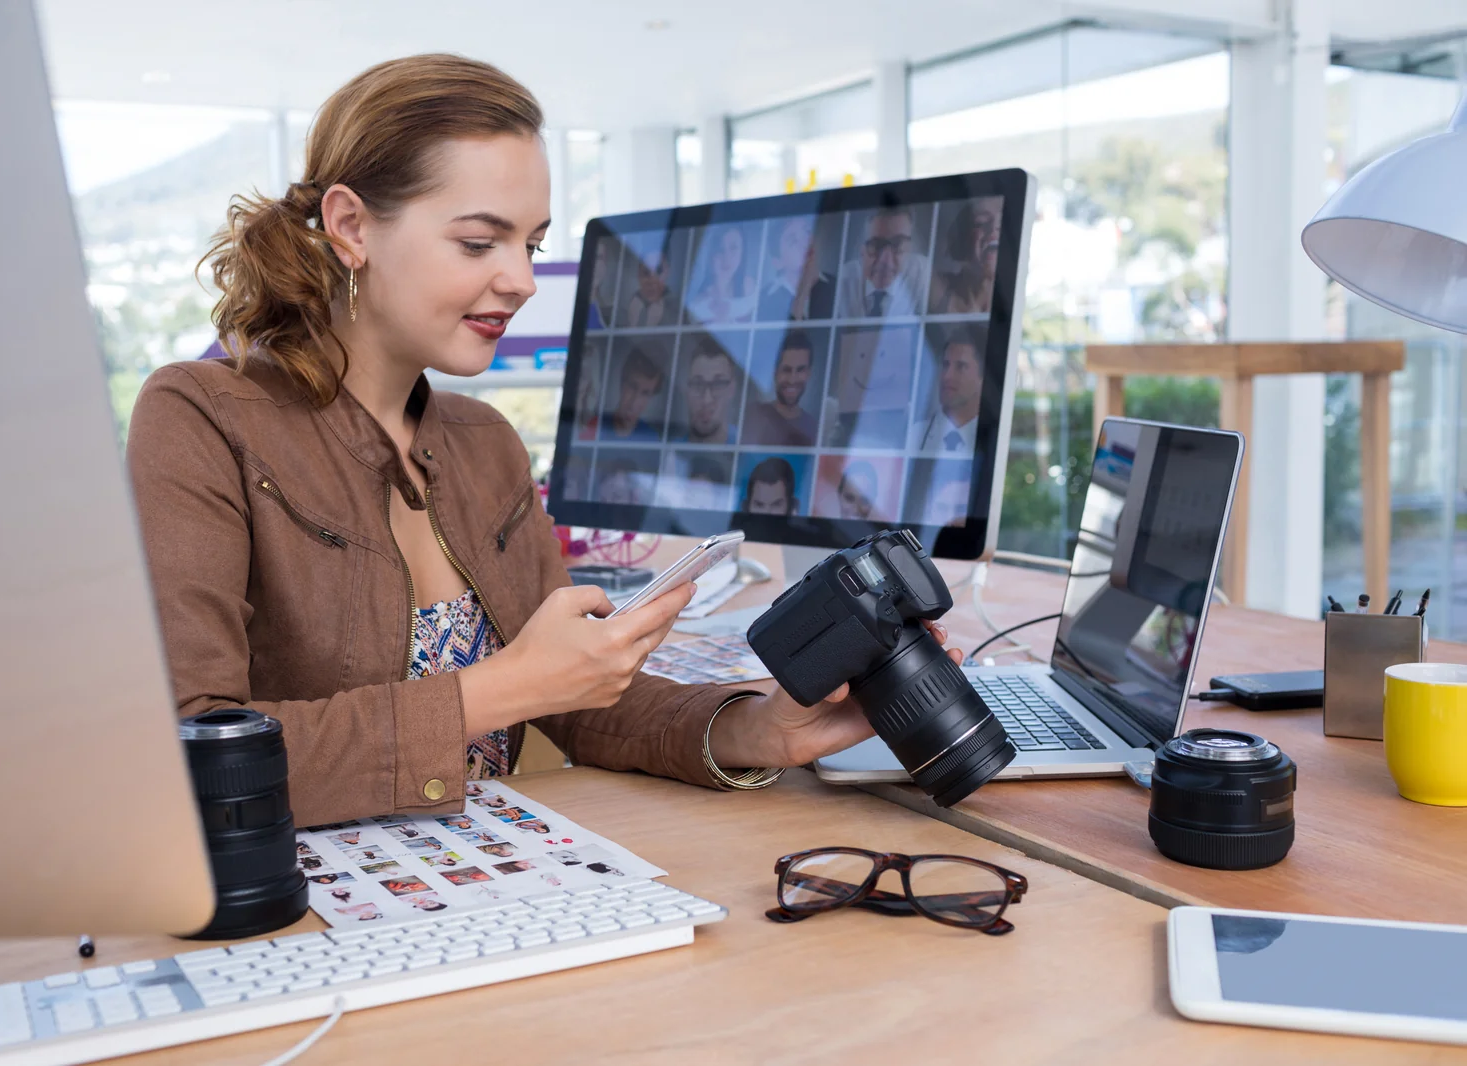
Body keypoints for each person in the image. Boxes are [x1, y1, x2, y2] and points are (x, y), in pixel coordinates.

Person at [127, 54, 963, 826]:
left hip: (496, 889)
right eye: (479, 241)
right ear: (350, 225)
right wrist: (499, 689)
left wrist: (762, 732)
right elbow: (189, 756)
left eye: (530, 244)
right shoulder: (200, 419)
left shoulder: (482, 442)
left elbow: (577, 702)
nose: (523, 279)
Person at [836, 206, 931, 319]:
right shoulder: (844, 281)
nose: (885, 261)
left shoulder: (923, 275)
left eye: (897, 244)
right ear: (862, 250)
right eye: (876, 245)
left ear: (909, 250)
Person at [909, 327, 982, 455]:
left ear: (982, 377)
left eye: (961, 367)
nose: (947, 375)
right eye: (945, 365)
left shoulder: (990, 441)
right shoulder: (914, 435)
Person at [741, 331, 819, 447]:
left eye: (800, 370)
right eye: (786, 370)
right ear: (775, 372)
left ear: (808, 373)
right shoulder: (753, 416)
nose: (792, 380)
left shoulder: (813, 428)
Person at [928, 197, 1001, 315]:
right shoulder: (932, 286)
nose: (993, 230)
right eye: (981, 222)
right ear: (963, 236)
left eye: (1003, 222)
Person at [756, 217, 836, 321]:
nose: (804, 242)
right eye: (793, 241)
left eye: (806, 231)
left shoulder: (838, 285)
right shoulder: (763, 300)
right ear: (778, 262)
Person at [673, 340, 740, 445]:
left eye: (718, 384)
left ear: (732, 390)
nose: (706, 400)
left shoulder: (747, 449)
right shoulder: (670, 454)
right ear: (686, 390)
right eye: (698, 384)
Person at [685, 226, 756, 323]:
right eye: (720, 249)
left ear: (743, 252)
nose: (726, 257)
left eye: (733, 248)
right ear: (711, 254)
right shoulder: (698, 305)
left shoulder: (751, 288)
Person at [596, 346, 664, 442]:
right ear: (621, 383)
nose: (634, 403)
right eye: (632, 387)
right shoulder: (594, 428)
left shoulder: (651, 440)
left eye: (645, 393)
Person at [621, 246, 680, 328]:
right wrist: (632, 324)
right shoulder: (622, 311)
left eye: (659, 271)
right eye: (646, 272)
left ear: (667, 272)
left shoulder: (680, 312)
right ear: (638, 275)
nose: (652, 280)